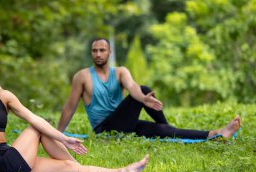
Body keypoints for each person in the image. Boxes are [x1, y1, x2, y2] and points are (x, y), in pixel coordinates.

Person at [0, 52, 149, 172]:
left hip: (13, 157)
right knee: (37, 128)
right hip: (0, 164)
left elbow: (31, 115)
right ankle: (79, 162)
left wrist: (63, 138)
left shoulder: (4, 96)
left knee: (69, 167)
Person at [58, 38, 241, 140]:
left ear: (109, 52)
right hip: (105, 129)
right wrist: (58, 134)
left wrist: (143, 99)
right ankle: (167, 125)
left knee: (164, 131)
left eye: (102, 50)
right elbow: (69, 107)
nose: (98, 54)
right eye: (94, 50)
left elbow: (133, 87)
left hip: (126, 125)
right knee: (145, 90)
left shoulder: (121, 72)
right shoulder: (82, 76)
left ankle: (216, 133)